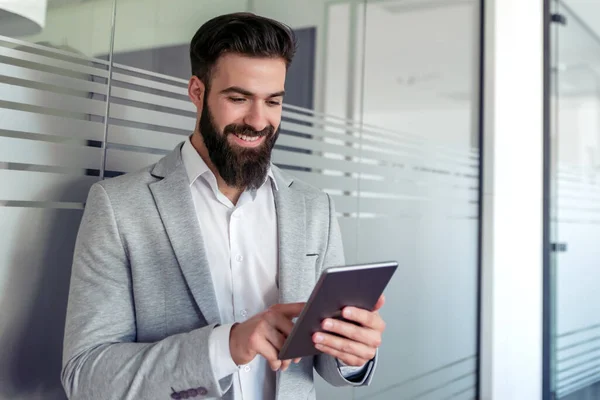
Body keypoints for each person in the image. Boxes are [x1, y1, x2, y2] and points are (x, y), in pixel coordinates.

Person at [61, 12, 386, 400]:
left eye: (273, 101)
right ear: (197, 92)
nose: (258, 120)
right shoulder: (119, 206)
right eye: (238, 98)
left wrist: (352, 353)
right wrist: (227, 346)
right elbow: (85, 375)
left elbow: (322, 364)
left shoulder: (314, 208)